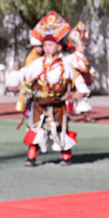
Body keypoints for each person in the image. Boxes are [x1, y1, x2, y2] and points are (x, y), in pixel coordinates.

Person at [18, 33, 88, 166]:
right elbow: (25, 74)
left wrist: (82, 90)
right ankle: (31, 156)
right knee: (36, 128)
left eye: (50, 45)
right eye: (45, 45)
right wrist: (16, 82)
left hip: (58, 104)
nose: (47, 48)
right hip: (39, 104)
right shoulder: (38, 63)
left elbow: (77, 77)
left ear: (59, 47)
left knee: (61, 129)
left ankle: (66, 155)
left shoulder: (65, 65)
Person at [64, 22, 96, 123]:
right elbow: (65, 65)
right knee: (70, 97)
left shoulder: (84, 58)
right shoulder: (71, 57)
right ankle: (66, 114)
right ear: (76, 46)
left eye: (84, 45)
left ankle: (85, 115)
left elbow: (87, 66)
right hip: (74, 80)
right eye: (82, 46)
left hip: (83, 79)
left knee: (83, 96)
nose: (84, 48)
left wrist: (91, 71)